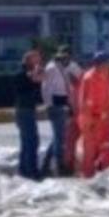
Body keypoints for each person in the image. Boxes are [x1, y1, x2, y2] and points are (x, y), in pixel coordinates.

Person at [77, 52, 109, 178]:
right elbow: (85, 102)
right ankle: (88, 177)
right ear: (101, 64)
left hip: (105, 119)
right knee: (90, 150)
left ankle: (108, 175)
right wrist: (90, 120)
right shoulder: (89, 78)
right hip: (92, 119)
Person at [41, 47, 81, 176]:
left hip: (64, 103)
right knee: (60, 137)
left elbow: (78, 77)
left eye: (68, 57)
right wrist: (49, 105)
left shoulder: (66, 67)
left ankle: (47, 165)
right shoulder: (52, 68)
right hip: (56, 104)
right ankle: (59, 166)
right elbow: (46, 88)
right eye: (63, 57)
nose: (66, 59)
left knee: (59, 137)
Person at [14, 50, 44, 180]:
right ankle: (31, 171)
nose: (38, 62)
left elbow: (39, 80)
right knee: (30, 141)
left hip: (28, 110)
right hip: (24, 110)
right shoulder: (22, 74)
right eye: (36, 59)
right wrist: (36, 74)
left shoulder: (29, 74)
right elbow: (33, 81)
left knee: (29, 141)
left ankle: (24, 169)